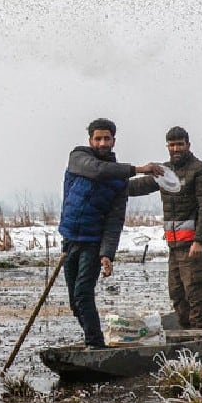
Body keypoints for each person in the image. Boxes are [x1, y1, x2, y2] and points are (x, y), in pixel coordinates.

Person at [58, 118, 165, 349]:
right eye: (98, 138)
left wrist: (107, 254)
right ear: (90, 140)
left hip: (92, 243)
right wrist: (137, 169)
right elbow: (97, 171)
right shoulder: (78, 158)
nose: (103, 142)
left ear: (114, 141)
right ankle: (93, 337)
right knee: (75, 302)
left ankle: (95, 345)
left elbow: (114, 221)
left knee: (83, 294)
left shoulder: (119, 181)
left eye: (107, 138)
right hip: (70, 240)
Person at [128, 126, 202, 329]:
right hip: (174, 245)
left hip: (193, 246)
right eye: (172, 144)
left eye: (180, 144)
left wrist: (200, 240)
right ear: (167, 146)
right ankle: (186, 337)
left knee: (195, 292)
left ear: (188, 145)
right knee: (177, 294)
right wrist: (110, 185)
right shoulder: (164, 171)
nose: (176, 148)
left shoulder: (201, 171)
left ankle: (201, 337)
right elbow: (137, 187)